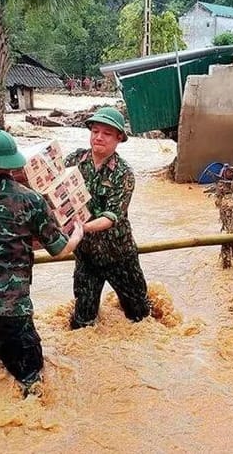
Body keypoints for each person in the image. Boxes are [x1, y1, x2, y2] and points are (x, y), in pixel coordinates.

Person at [0, 128, 83, 397]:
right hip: (12, 312)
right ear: (13, 163)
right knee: (32, 381)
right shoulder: (31, 200)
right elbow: (59, 249)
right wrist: (77, 233)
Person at [64, 107, 150, 329]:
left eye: (107, 133)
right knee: (82, 323)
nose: (98, 137)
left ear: (119, 138)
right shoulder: (74, 160)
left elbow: (111, 216)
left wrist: (81, 228)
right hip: (86, 256)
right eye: (95, 131)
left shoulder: (124, 174)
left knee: (139, 317)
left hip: (119, 255)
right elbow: (53, 188)